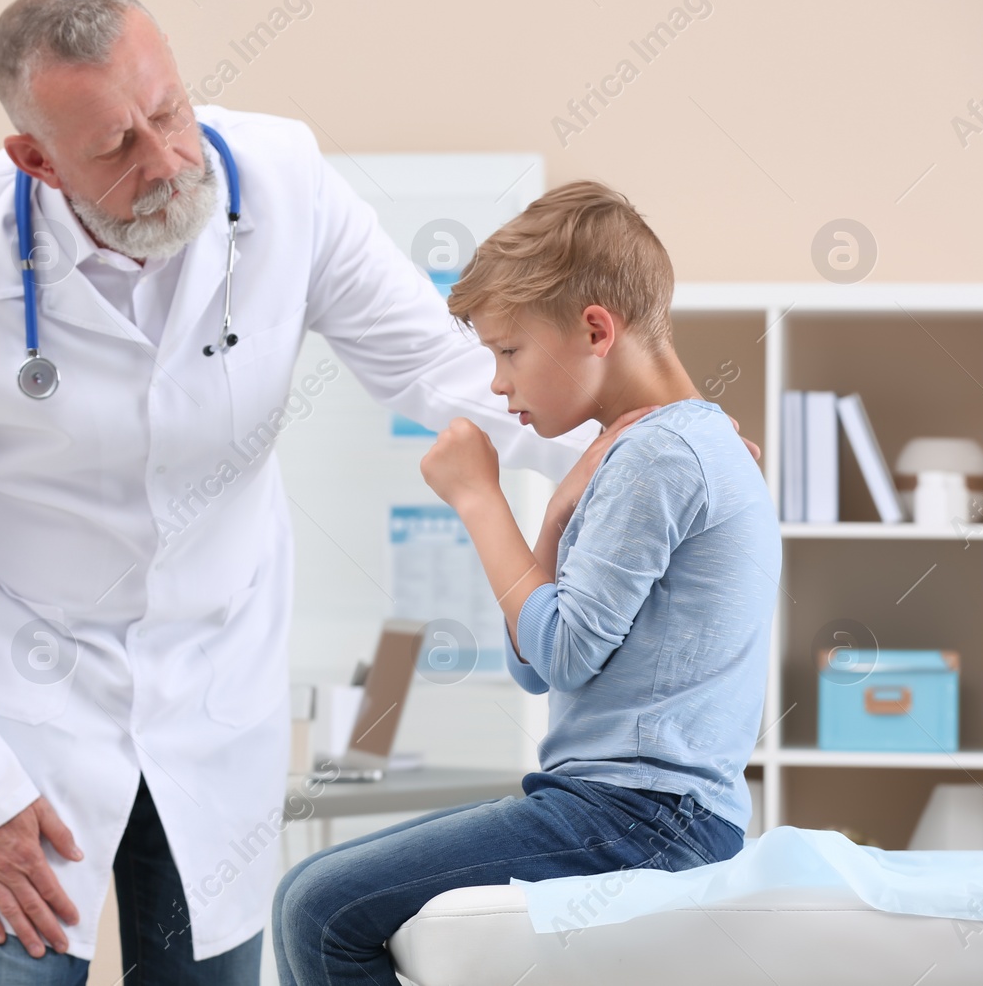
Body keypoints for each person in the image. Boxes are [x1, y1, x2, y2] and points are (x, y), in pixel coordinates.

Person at [0, 0, 662, 986]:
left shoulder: (282, 182)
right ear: (35, 159)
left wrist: (651, 447)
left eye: (167, 111)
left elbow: (442, 370)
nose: (167, 160)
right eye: (115, 147)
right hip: (22, 705)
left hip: (212, 689)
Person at [272, 180, 781, 986]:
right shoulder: (651, 448)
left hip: (643, 815)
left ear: (594, 329)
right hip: (622, 806)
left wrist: (480, 499)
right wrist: (552, 524)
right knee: (307, 893)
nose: (499, 384)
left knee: (320, 911)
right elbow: (533, 661)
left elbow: (564, 651)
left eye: (509, 351)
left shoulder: (660, 455)